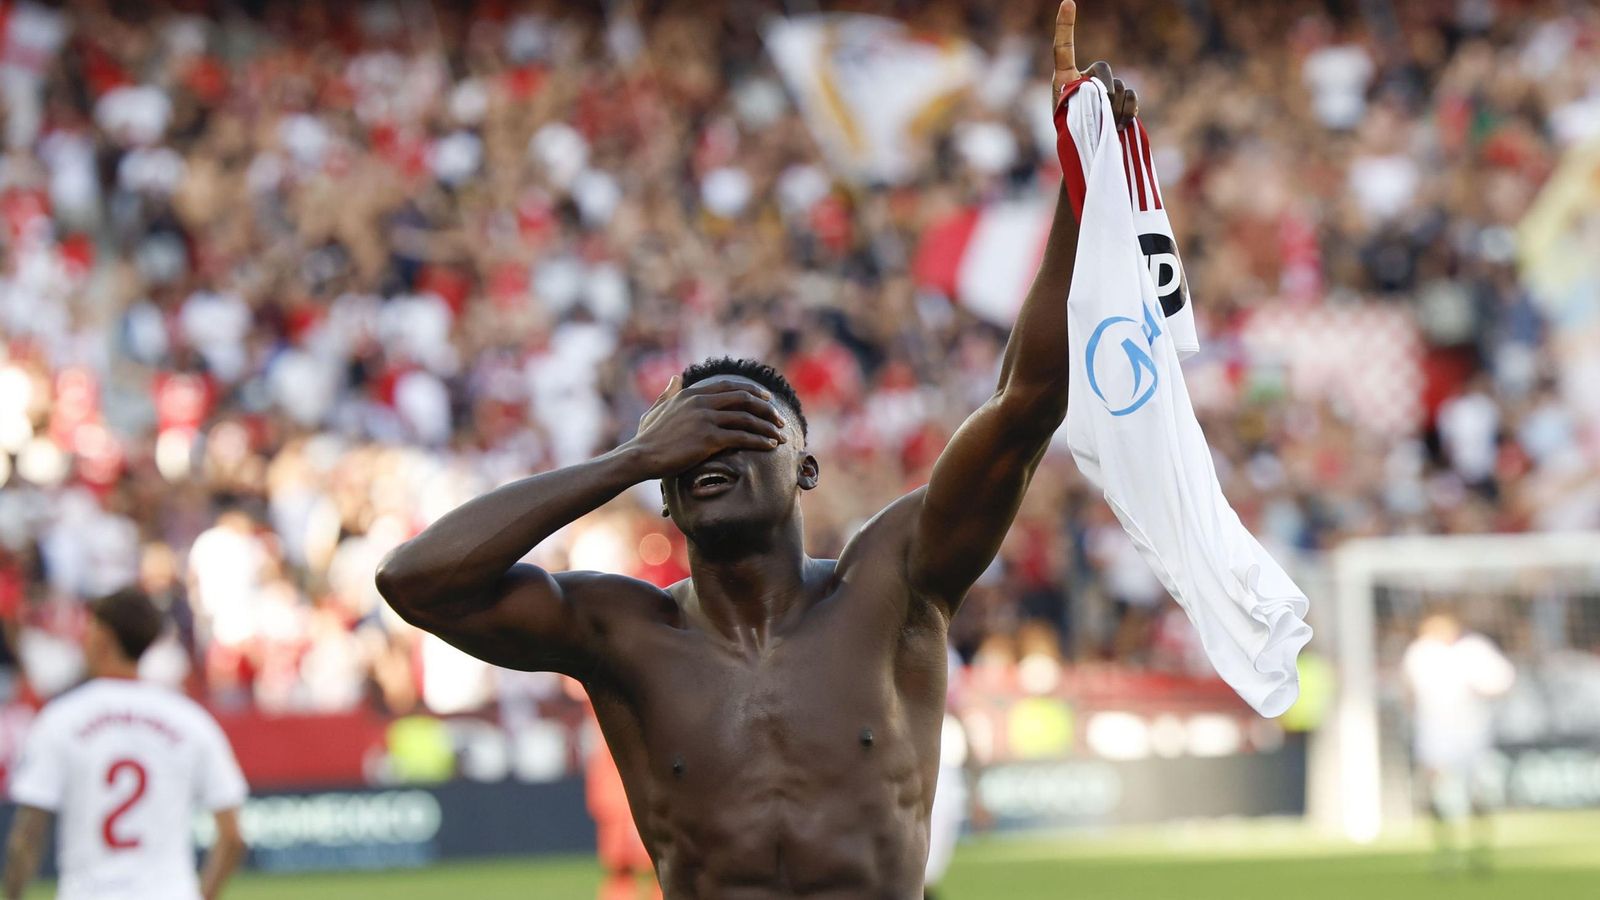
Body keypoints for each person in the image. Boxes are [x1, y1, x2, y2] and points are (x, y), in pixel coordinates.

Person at [376, 3, 1138, 895]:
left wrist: (1083, 187)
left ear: (805, 469)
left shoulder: (893, 584)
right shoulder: (622, 632)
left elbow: (1026, 402)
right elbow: (414, 581)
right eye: (686, 441)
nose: (711, 449)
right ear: (663, 488)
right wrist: (628, 457)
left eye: (743, 427)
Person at [2, 590, 249, 900]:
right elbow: (232, 836)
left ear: (102, 638)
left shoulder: (61, 719)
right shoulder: (191, 721)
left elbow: (27, 834)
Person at [1400, 611, 1516, 874]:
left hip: (1473, 734)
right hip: (1434, 734)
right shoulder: (1420, 653)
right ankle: (1445, 849)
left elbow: (1504, 682)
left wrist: (1485, 690)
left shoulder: (1475, 650)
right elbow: (1408, 688)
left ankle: (1479, 849)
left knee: (1479, 791)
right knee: (1435, 791)